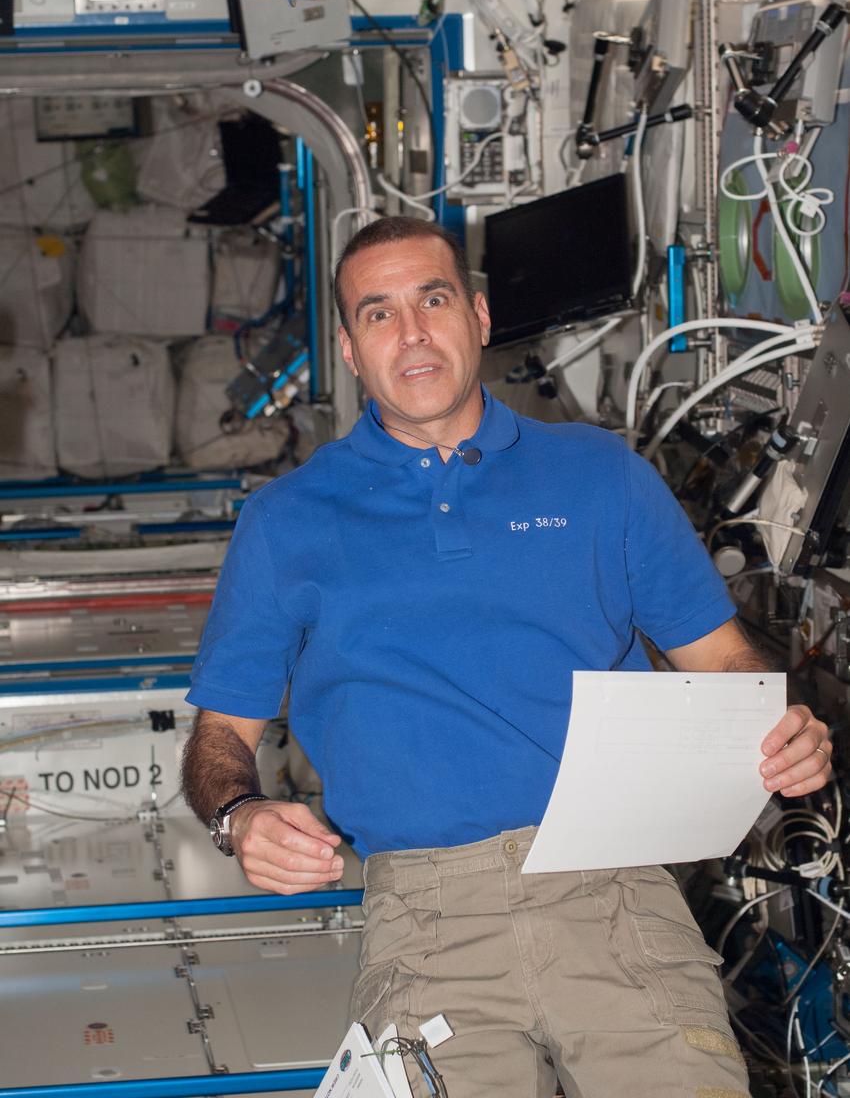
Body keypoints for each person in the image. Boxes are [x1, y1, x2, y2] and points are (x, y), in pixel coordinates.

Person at [182, 215, 832, 1098]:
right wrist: (240, 816)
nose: (411, 333)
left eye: (433, 300)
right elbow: (220, 736)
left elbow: (723, 662)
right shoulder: (285, 521)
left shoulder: (602, 476)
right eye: (379, 313)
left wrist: (780, 724)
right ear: (349, 349)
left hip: (616, 892)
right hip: (425, 920)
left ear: (479, 317)